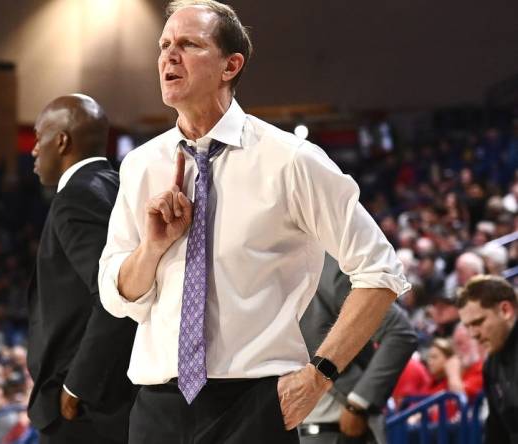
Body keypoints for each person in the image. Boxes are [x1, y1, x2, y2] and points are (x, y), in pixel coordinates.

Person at [97, 1, 410, 442]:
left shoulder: (290, 160)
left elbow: (380, 271)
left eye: (188, 44)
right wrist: (151, 248)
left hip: (254, 404)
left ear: (231, 65)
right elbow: (117, 297)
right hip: (156, 407)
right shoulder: (140, 166)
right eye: (164, 44)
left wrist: (320, 373)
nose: (169, 55)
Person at [27, 94, 137, 443]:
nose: (32, 150)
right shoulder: (115, 185)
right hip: (115, 395)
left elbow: (115, 295)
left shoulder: (77, 196)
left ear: (61, 141)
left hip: (89, 408)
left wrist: (78, 385)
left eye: (38, 137)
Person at [299, 255, 416, 444]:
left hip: (336, 429)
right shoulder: (258, 281)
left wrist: (358, 404)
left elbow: (400, 333)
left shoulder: (326, 269)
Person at [456, 275, 518, 443]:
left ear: (506, 310)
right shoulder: (491, 365)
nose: (473, 334)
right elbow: (497, 430)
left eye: (478, 322)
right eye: (468, 326)